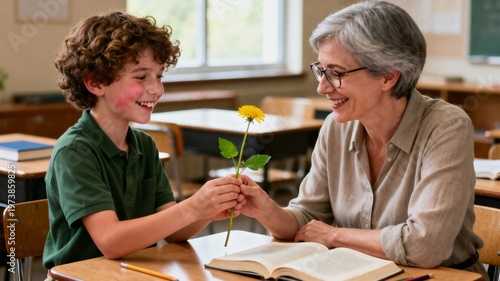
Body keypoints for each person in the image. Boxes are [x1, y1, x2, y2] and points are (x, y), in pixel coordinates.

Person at [238, 1, 489, 279]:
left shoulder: (445, 127)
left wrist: (334, 235)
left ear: (388, 76)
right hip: (359, 273)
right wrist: (267, 210)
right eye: (321, 70)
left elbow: (425, 245)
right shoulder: (335, 127)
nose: (322, 87)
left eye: (336, 73)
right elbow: (308, 219)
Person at [42, 11, 244, 270]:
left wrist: (208, 209)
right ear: (95, 83)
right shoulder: (74, 151)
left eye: (159, 76)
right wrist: (192, 207)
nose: (156, 89)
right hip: (79, 276)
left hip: (132, 272)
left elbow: (173, 231)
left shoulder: (144, 145)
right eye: (141, 77)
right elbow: (111, 241)